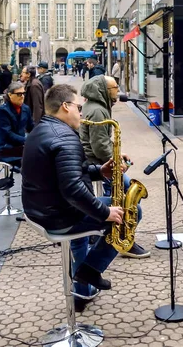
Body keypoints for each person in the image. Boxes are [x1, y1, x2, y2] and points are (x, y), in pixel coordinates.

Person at [22, 84, 132, 311]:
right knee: (131, 212)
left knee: (100, 220)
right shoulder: (65, 137)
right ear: (65, 106)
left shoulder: (41, 129)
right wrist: (106, 213)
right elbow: (72, 189)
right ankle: (90, 271)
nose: (81, 113)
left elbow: (62, 175)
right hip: (59, 216)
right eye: (78, 107)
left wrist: (99, 171)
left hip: (40, 210)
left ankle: (83, 285)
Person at [79, 75, 150, 258]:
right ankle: (123, 239)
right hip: (97, 163)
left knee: (125, 197)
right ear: (104, 89)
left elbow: (102, 142)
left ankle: (114, 232)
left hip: (99, 160)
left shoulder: (97, 106)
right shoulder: (97, 111)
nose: (118, 91)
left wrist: (118, 155)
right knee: (127, 196)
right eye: (115, 88)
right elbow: (99, 146)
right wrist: (116, 162)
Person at [0, 82, 34, 166]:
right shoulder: (2, 111)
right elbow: (7, 133)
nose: (22, 96)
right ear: (10, 95)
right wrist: (27, 140)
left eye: (23, 93)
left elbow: (31, 127)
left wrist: (41, 134)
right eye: (19, 94)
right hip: (6, 149)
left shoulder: (26, 108)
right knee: (34, 161)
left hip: (21, 147)